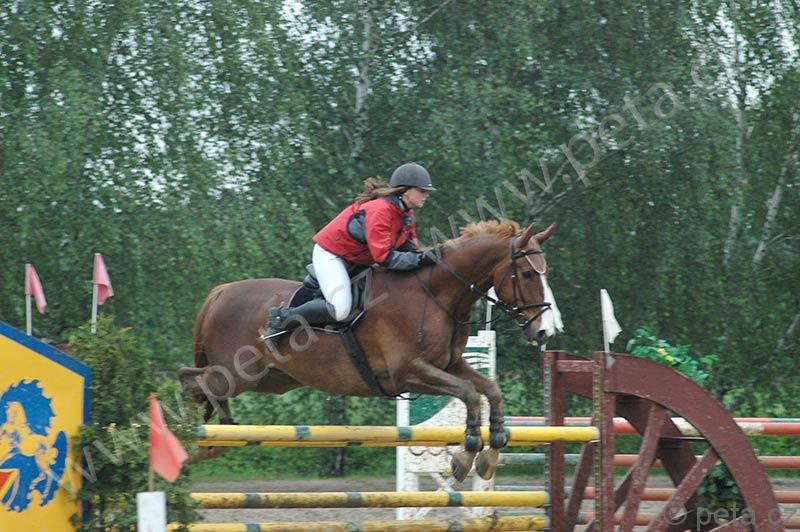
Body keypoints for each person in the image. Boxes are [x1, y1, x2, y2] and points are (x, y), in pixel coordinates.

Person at [266, 162, 437, 336]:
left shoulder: (406, 214)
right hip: (332, 255)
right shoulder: (381, 210)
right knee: (340, 309)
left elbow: (409, 249)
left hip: (357, 259)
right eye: (422, 191)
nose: (426, 195)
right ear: (405, 190)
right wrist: (420, 259)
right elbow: (384, 257)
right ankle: (283, 317)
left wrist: (428, 256)